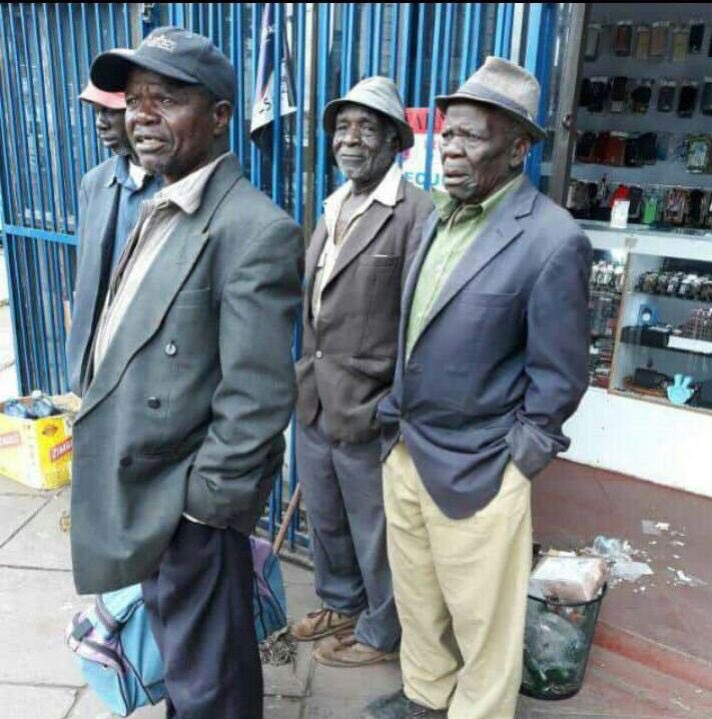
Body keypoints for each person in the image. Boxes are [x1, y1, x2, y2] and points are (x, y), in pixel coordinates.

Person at [69, 27, 303, 719]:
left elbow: (258, 395)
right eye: (136, 99)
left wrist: (203, 506)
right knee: (186, 656)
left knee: (208, 677)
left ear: (220, 115)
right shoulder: (158, 203)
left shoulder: (253, 229)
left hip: (187, 501)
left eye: (166, 100)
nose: (142, 116)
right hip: (144, 488)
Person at [365, 57, 592, 719]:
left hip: (483, 462)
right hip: (407, 445)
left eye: (471, 136)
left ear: (518, 148)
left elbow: (560, 374)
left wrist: (520, 460)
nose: (451, 148)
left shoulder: (552, 239)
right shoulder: (439, 216)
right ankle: (426, 693)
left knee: (483, 619)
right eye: (447, 133)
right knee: (419, 595)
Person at [292, 77, 433, 668]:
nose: (349, 139)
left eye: (365, 129)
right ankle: (342, 603)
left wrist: (393, 405)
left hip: (370, 405)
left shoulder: (416, 213)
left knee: (376, 530)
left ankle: (382, 629)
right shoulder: (334, 205)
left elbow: (420, 322)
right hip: (315, 398)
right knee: (327, 518)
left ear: (395, 141)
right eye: (342, 128)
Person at [67, 82, 160, 394]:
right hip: (100, 353)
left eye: (110, 111)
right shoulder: (94, 183)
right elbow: (86, 272)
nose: (100, 122)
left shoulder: (176, 184)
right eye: (97, 112)